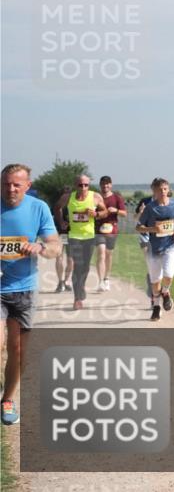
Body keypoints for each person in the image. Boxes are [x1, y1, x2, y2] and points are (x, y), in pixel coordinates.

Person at [1, 164, 62, 425]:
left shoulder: (38, 208)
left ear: (27, 185)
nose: (11, 188)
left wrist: (39, 247)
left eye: (17, 184)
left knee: (17, 350)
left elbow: (55, 247)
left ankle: (8, 399)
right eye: (6, 183)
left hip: (24, 289)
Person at [55, 175, 106, 310]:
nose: (83, 187)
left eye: (86, 185)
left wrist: (96, 215)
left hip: (89, 237)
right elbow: (57, 208)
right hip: (74, 237)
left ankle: (81, 286)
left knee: (86, 267)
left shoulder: (95, 197)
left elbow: (105, 212)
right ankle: (77, 298)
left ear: (89, 185)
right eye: (80, 185)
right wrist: (61, 222)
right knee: (78, 266)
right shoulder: (68, 197)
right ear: (75, 185)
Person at [136, 178, 174, 321]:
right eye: (160, 189)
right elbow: (138, 227)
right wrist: (152, 229)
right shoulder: (150, 208)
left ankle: (166, 292)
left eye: (165, 189)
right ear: (155, 191)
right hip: (154, 249)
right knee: (155, 281)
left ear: (168, 189)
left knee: (169, 274)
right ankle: (156, 307)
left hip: (170, 247)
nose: (163, 192)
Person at [95, 175, 127, 292]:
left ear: (111, 185)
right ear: (100, 185)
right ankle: (100, 281)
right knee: (101, 252)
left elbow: (124, 213)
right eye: (103, 184)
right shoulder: (96, 197)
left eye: (107, 184)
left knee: (108, 254)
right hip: (98, 229)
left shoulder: (117, 198)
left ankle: (106, 278)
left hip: (111, 229)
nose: (105, 186)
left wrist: (116, 210)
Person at [52, 185, 73, 293]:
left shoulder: (74, 205)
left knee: (71, 259)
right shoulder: (57, 206)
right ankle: (61, 281)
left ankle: (66, 281)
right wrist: (61, 223)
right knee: (59, 257)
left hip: (71, 234)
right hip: (61, 234)